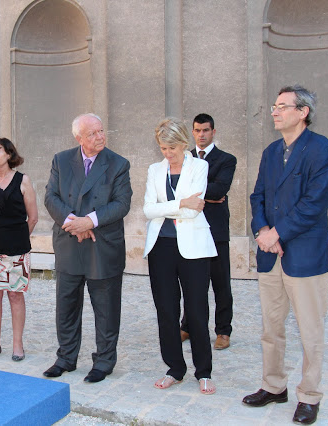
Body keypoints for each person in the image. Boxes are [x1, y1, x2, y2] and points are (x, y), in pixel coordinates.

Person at [243, 85, 328, 425]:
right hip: (271, 255)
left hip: (306, 256)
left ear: (302, 112)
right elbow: (258, 197)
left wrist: (276, 234)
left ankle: (309, 396)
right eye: (274, 106)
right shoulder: (270, 151)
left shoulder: (320, 148)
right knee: (271, 327)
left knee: (310, 331)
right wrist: (263, 233)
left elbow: (315, 203)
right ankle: (273, 386)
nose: (275, 111)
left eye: (282, 106)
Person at [43, 113, 132, 383]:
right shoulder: (61, 160)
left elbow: (121, 203)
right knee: (66, 305)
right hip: (70, 242)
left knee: (106, 308)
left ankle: (104, 361)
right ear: (79, 138)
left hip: (102, 245)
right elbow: (51, 196)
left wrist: (89, 222)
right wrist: (73, 222)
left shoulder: (118, 164)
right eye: (92, 133)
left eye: (102, 131)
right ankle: (66, 358)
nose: (100, 137)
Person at [143, 117, 217, 395]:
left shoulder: (200, 166)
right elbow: (148, 210)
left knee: (197, 311)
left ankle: (204, 371)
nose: (168, 153)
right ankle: (175, 368)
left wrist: (171, 206)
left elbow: (193, 210)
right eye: (163, 148)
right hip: (160, 247)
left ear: (184, 143)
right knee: (166, 311)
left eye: (172, 147)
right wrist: (181, 203)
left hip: (194, 248)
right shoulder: (154, 169)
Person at [0, 138, 38, 362]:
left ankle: (17, 345)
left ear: (9, 155)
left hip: (17, 250)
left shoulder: (23, 180)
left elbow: (33, 218)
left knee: (15, 295)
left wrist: (17, 238)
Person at [180, 113, 237, 350]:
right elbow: (177, 189)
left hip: (216, 231)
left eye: (205, 130)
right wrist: (205, 194)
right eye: (197, 130)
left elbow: (220, 189)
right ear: (192, 132)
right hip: (189, 228)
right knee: (193, 283)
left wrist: (193, 194)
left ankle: (223, 330)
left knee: (221, 282)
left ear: (213, 132)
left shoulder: (226, 159)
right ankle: (189, 325)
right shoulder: (184, 158)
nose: (201, 135)